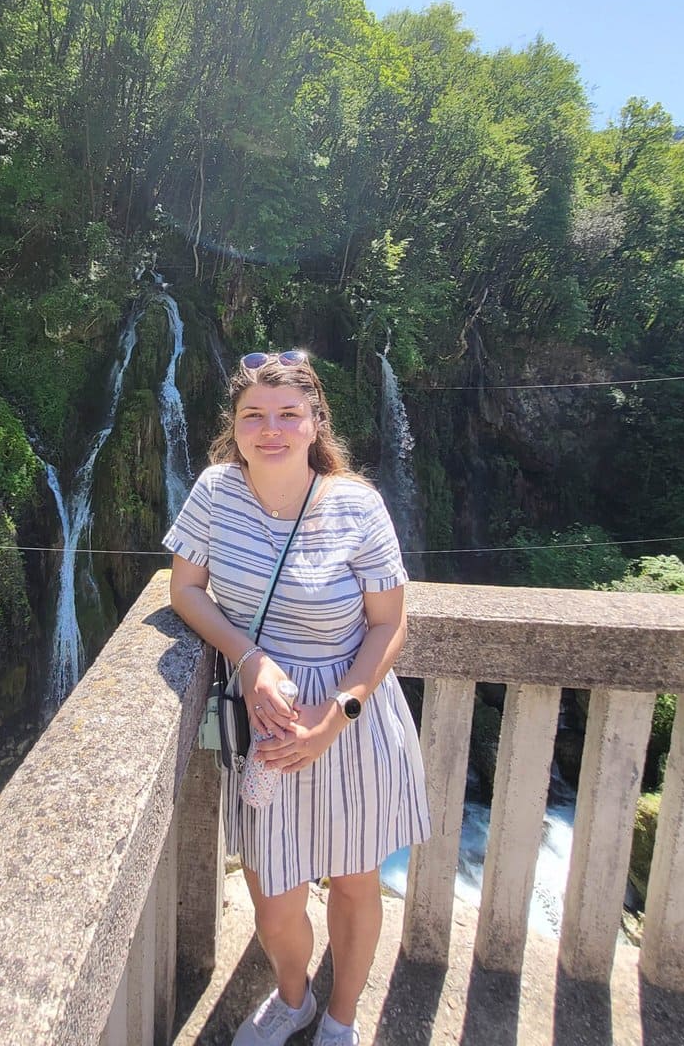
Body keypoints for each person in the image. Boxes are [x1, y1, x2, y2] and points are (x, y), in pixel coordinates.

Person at [164, 350, 431, 1046]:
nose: (271, 428)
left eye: (289, 414)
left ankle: (340, 1017)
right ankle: (293, 999)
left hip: (351, 717)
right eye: (255, 414)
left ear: (316, 423)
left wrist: (337, 715)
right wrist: (247, 657)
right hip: (266, 725)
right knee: (274, 900)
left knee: (352, 882)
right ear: (236, 426)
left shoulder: (357, 505)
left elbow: (389, 624)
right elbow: (185, 591)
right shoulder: (216, 492)